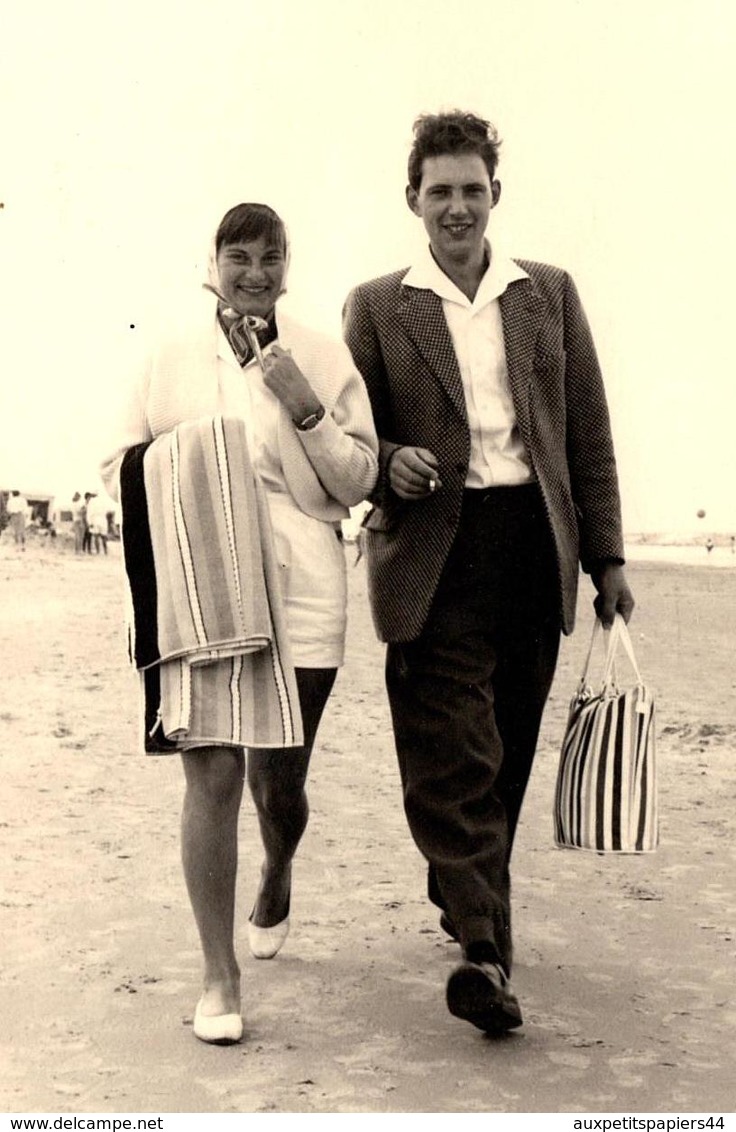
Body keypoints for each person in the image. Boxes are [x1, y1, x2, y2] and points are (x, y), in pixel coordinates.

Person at [343, 111, 634, 1036]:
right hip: (435, 548)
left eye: (473, 190)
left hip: (529, 547)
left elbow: (587, 435)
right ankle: (483, 950)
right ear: (413, 202)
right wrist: (388, 459)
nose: (458, 207)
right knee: (453, 755)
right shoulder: (378, 305)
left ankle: (470, 910)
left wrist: (609, 559)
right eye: (441, 192)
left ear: (495, 196)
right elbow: (353, 435)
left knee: (499, 753)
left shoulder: (548, 292)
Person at [101, 202, 378, 1045]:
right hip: (199, 581)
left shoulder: (323, 353)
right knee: (213, 775)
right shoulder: (167, 352)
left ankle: (279, 862)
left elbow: (360, 477)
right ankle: (218, 976)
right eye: (238, 256)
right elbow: (119, 464)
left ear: (287, 267)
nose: (253, 273)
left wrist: (301, 402)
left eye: (270, 258)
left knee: (276, 783)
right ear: (213, 263)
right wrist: (203, 466)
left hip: (303, 579)